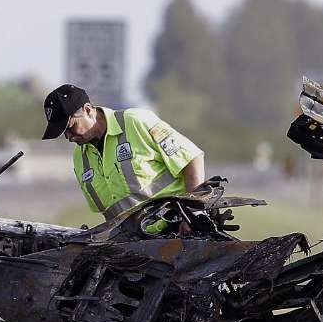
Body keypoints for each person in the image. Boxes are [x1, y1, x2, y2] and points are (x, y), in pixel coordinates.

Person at [41, 84, 205, 222]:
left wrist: (193, 214)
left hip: (177, 229)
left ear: (88, 110)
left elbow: (192, 159)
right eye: (63, 132)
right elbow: (111, 212)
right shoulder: (79, 158)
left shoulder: (136, 121)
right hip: (132, 244)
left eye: (70, 127)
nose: (68, 137)